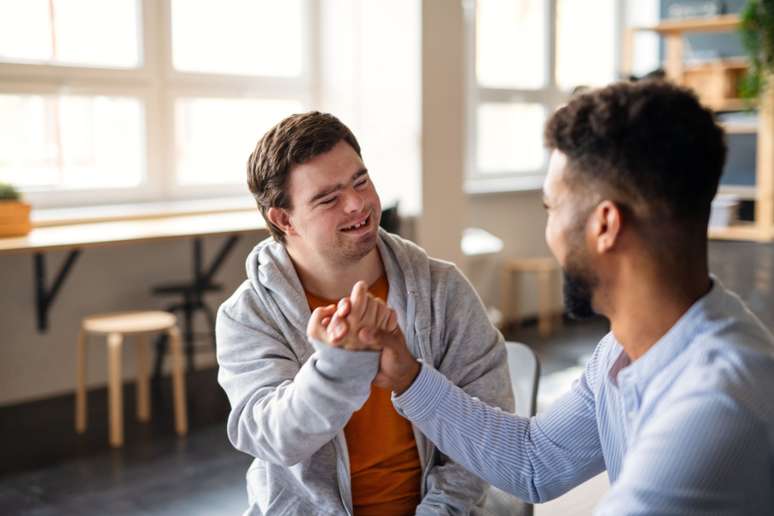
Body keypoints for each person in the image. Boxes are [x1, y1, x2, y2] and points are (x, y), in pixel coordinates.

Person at [315, 81, 774, 515]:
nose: (548, 231)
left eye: (551, 208)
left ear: (605, 225)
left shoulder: (716, 404)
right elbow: (535, 461)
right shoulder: (624, 349)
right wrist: (408, 376)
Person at [215, 111, 514, 515]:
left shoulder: (442, 290)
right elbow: (274, 438)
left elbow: (484, 431)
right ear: (284, 219)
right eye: (329, 198)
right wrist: (338, 367)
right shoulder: (248, 315)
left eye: (361, 181)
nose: (358, 204)